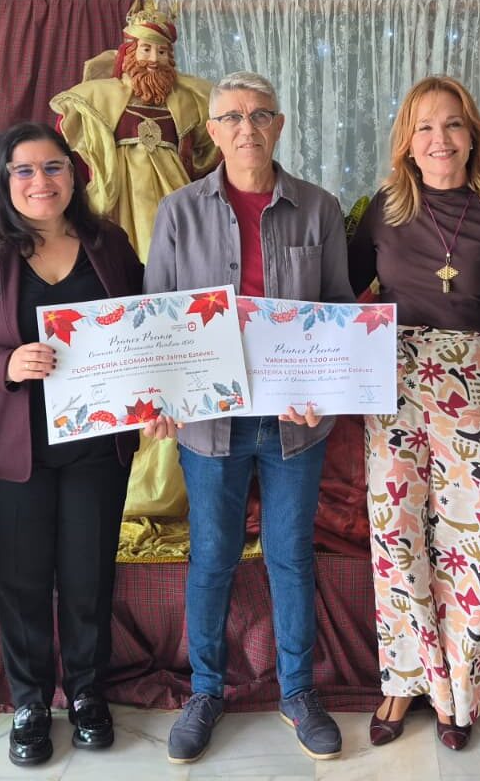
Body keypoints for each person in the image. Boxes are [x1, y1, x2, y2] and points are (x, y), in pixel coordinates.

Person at [142, 71, 352, 764]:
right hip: (210, 426)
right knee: (212, 557)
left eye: (260, 115)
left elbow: (338, 310)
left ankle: (299, 692)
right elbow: (159, 315)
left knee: (291, 555)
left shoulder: (320, 209)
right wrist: (158, 400)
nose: (246, 128)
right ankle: (206, 690)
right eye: (231, 117)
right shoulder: (179, 212)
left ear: (279, 125)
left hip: (295, 423)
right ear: (212, 131)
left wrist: (326, 386)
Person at [0, 122, 142, 767]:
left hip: (96, 445)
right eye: (24, 170)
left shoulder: (109, 243)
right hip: (9, 452)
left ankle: (87, 693)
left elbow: (142, 331)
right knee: (20, 584)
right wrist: (5, 364)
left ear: (74, 175)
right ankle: (29, 702)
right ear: (5, 180)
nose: (40, 181)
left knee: (88, 578)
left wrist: (159, 400)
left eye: (53, 167)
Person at [347, 76, 480, 750]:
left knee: (476, 537)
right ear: (406, 140)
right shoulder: (382, 210)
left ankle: (461, 688)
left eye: (452, 124)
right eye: (424, 126)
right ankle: (405, 679)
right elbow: (341, 295)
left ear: (473, 135)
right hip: (395, 383)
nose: (440, 139)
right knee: (396, 533)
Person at [49, 0, 219, 260]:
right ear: (130, 51)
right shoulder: (99, 96)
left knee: (178, 252)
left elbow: (206, 151)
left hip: (174, 194)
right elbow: (76, 151)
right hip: (122, 195)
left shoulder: (188, 100)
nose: (154, 59)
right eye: (146, 49)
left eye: (162, 52)